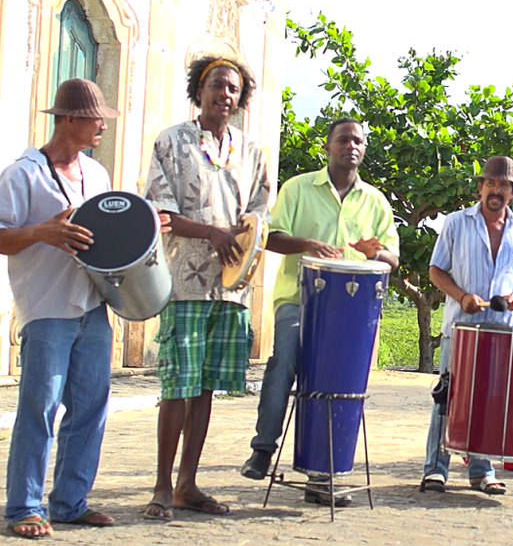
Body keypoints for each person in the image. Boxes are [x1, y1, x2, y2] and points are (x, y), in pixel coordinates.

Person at [240, 117, 399, 508]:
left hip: (350, 312)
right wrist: (306, 244)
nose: (351, 146)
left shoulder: (375, 201)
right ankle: (263, 449)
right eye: (343, 139)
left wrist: (374, 251)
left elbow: (393, 259)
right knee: (284, 364)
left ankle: (322, 475)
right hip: (299, 299)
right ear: (327, 146)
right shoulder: (298, 189)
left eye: (358, 140)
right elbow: (269, 238)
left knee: (337, 384)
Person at [143, 55, 270, 520]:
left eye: (234, 89)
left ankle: (187, 484)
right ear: (198, 90)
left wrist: (243, 234)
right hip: (184, 282)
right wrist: (212, 234)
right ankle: (160, 486)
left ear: (241, 99)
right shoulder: (172, 142)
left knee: (205, 389)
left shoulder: (252, 152)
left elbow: (260, 213)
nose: (225, 94)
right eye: (217, 85)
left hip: (232, 290)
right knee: (178, 385)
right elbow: (161, 212)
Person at [0, 78, 121, 538]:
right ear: (70, 118)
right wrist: (39, 233)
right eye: (96, 119)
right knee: (40, 406)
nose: (101, 129)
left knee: (91, 407)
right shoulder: (22, 174)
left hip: (91, 304)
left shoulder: (97, 174)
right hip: (46, 306)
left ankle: (71, 501)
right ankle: (25, 507)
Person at [419, 156, 513, 495]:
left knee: (493, 400)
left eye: (504, 185)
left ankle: (482, 470)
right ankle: (435, 468)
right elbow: (436, 270)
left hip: (504, 329)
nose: (496, 190)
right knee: (447, 398)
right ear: (480, 187)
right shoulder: (456, 223)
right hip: (461, 327)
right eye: (491, 183)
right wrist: (461, 296)